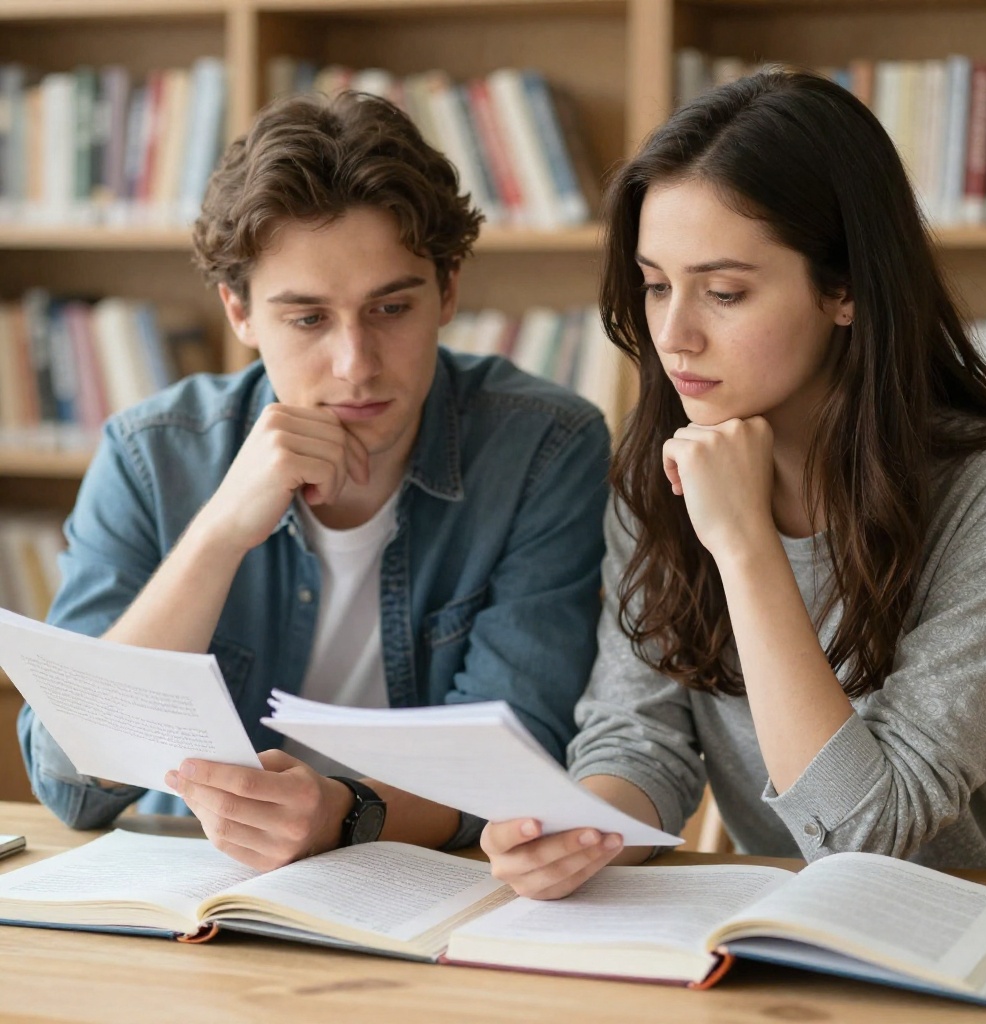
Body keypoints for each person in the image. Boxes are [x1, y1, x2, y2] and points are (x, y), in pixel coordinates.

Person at [18, 90, 610, 870]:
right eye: (307, 319)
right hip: (196, 882)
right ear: (239, 313)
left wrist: (346, 815)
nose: (355, 364)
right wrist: (219, 534)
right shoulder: (151, 453)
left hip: (432, 886)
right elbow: (70, 780)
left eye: (390, 309)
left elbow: (517, 758)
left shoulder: (543, 447)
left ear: (448, 290)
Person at [482, 66, 986, 898]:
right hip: (785, 909)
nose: (673, 334)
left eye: (725, 292)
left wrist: (742, 543)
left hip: (976, 912)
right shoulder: (662, 467)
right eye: (656, 285)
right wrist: (580, 832)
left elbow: (872, 836)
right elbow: (641, 738)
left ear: (844, 289)